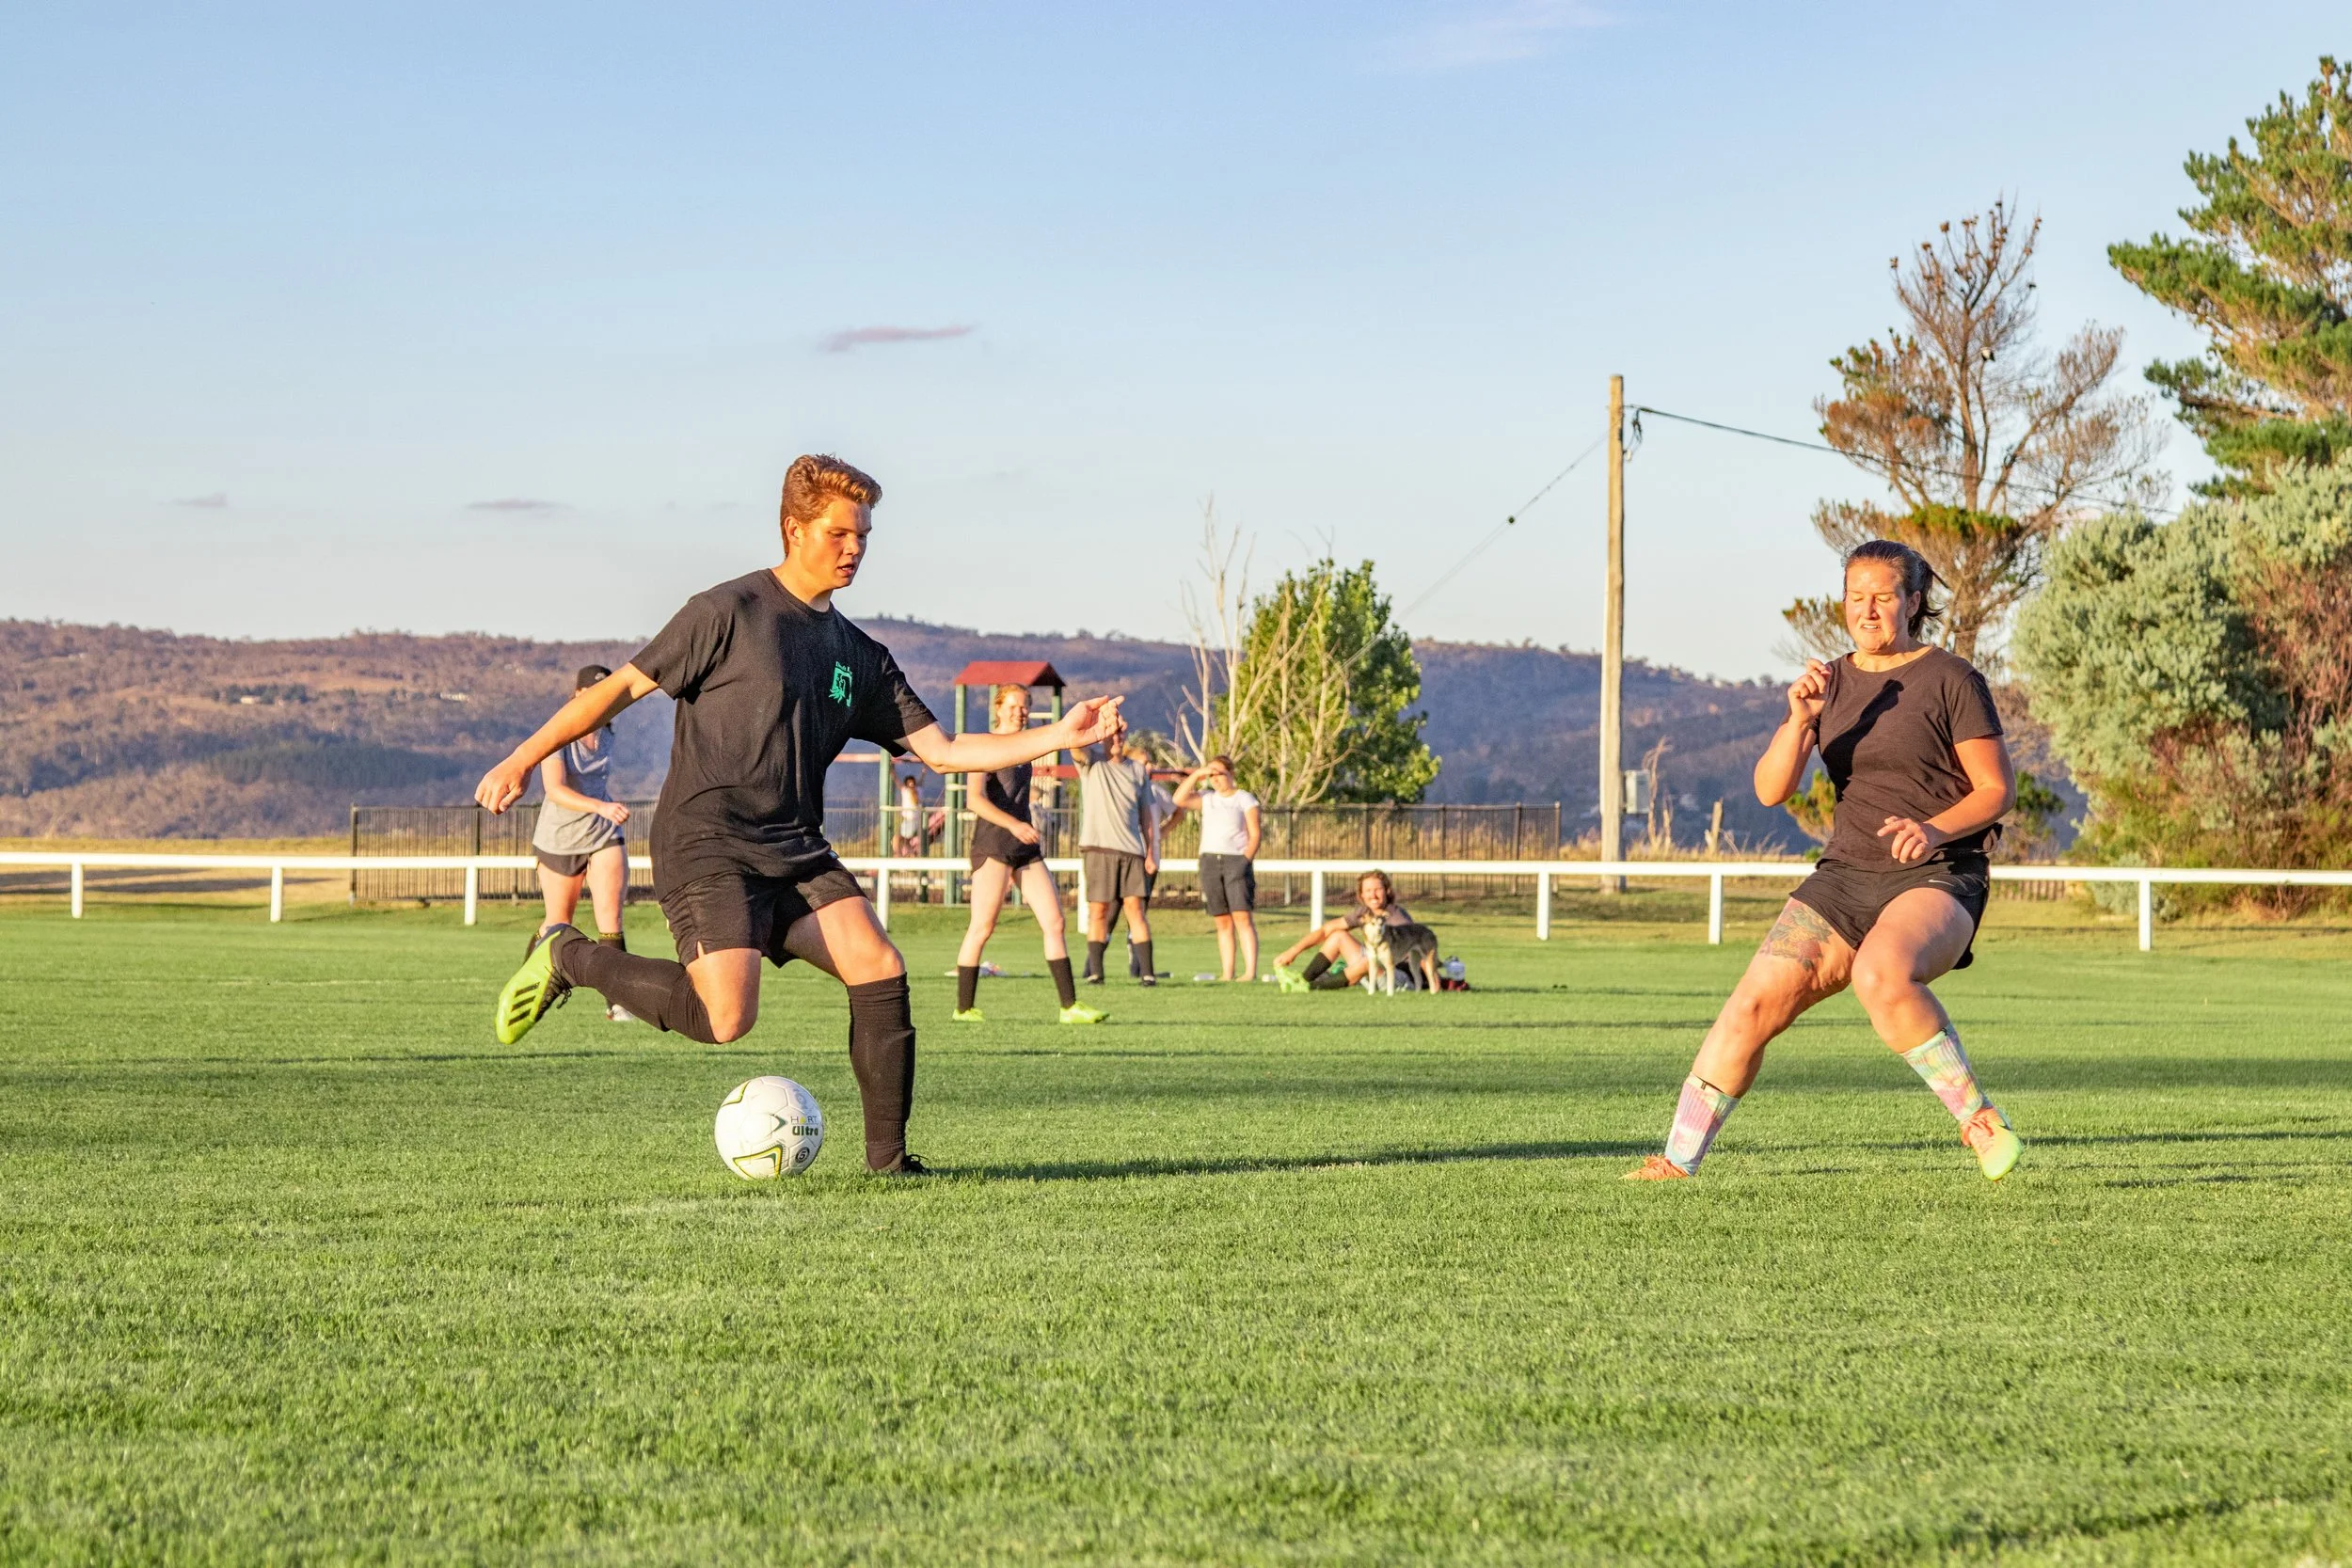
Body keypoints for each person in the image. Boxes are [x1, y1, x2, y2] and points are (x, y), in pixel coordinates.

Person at [475, 454, 1123, 1175]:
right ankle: (568, 953)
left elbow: (942, 749)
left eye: (865, 536)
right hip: (708, 843)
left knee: (878, 963)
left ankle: (889, 1163)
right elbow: (616, 691)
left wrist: (1063, 734)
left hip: (795, 845)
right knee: (725, 1019)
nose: (855, 549)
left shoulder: (860, 655)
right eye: (841, 532)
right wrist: (523, 756)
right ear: (794, 528)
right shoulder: (727, 611)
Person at [1624, 539, 2024, 1183]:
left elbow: (1997, 789)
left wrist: (1930, 828)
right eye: (1855, 597)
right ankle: (1675, 1163)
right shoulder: (1829, 683)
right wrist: (1798, 720)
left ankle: (1981, 1124)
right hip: (1844, 879)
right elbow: (1769, 790)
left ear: (1913, 602)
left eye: (1884, 597)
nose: (1868, 610)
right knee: (1750, 1006)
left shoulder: (1951, 679)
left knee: (1880, 974)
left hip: (1938, 873)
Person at [951, 684, 1107, 1025]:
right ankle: (964, 1009)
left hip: (1024, 846)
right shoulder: (984, 746)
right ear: (998, 708)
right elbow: (974, 799)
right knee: (982, 926)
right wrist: (1013, 824)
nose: (1019, 712)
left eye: (1025, 707)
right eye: (1013, 706)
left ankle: (1070, 1007)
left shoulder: (1026, 749)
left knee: (1054, 921)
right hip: (992, 844)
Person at [528, 663, 637, 1023]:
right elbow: (555, 790)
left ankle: (618, 1004)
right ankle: (529, 987)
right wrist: (601, 806)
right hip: (559, 837)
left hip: (601, 832)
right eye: (592, 692)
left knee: (612, 920)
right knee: (560, 925)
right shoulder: (558, 734)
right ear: (577, 695)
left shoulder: (608, 733)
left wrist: (604, 811)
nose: (600, 699)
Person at [1075, 725, 1158, 988]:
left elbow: (1146, 815)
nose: (1117, 738)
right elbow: (1074, 747)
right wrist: (1090, 726)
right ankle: (1096, 972)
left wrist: (1150, 850)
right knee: (1099, 910)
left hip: (1131, 850)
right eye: (1112, 733)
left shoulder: (1137, 771)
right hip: (1098, 849)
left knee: (1136, 910)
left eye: (1121, 732)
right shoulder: (1092, 764)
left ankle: (1147, 973)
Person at [1172, 754, 1262, 982]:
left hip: (1235, 861)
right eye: (1211, 775)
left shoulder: (1244, 799)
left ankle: (1250, 971)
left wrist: (1245, 859)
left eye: (1219, 773)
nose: (1216, 779)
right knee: (1222, 920)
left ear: (1231, 774)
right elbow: (1179, 799)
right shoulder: (1207, 798)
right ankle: (1227, 972)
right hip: (1210, 861)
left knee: (1241, 916)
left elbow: (1255, 833)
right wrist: (1196, 775)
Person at [1272, 869, 1416, 991]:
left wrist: (1435, 980)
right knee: (1338, 936)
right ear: (1361, 895)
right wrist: (1293, 952)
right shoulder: (1364, 913)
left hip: (1398, 978)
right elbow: (1326, 930)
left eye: (1378, 889)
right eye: (1368, 891)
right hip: (1372, 971)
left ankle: (1311, 987)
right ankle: (1303, 980)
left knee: (1368, 961)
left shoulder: (1397, 918)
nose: (1373, 895)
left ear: (1387, 891)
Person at [890, 771, 925, 859]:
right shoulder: (911, 791)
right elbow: (897, 781)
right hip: (908, 820)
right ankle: (912, 855)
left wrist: (892, 772)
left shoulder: (912, 791)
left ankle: (898, 856)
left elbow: (897, 782)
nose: (911, 784)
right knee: (906, 842)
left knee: (896, 839)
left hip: (911, 820)